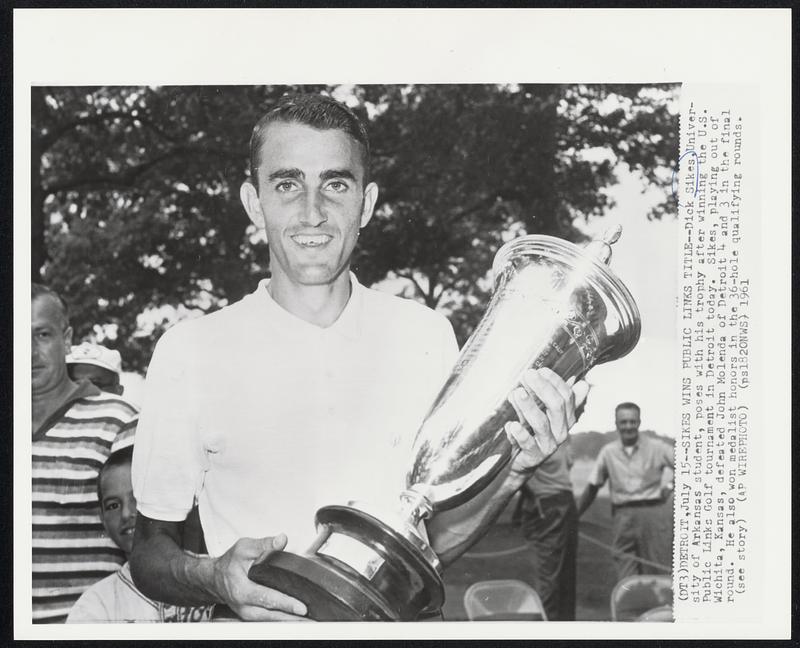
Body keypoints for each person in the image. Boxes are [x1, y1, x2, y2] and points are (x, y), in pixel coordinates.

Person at [130, 93, 586, 621]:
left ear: (365, 202)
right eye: (286, 184)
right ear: (254, 202)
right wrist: (214, 577)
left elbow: (430, 546)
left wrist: (515, 470)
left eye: (335, 184)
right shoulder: (190, 350)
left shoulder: (427, 334)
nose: (312, 213)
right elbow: (148, 554)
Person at [32, 283, 138, 623]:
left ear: (66, 340)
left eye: (42, 335)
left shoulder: (118, 420)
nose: (30, 352)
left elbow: (155, 538)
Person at [67, 447, 214, 622]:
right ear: (102, 519)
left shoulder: (212, 575)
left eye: (137, 498)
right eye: (113, 505)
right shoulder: (98, 604)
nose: (125, 514)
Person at [576, 402, 674, 581]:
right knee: (625, 571)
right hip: (623, 516)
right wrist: (575, 515)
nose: (628, 426)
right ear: (616, 424)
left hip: (652, 514)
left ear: (639, 422)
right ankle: (631, 608)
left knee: (656, 570)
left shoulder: (656, 447)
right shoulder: (608, 452)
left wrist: (669, 487)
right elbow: (592, 486)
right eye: (623, 422)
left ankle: (658, 609)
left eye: (632, 421)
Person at [516, 443, 578, 621]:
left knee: (566, 579)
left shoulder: (563, 433)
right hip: (547, 505)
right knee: (549, 580)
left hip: (565, 502)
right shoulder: (531, 432)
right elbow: (515, 469)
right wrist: (532, 497)